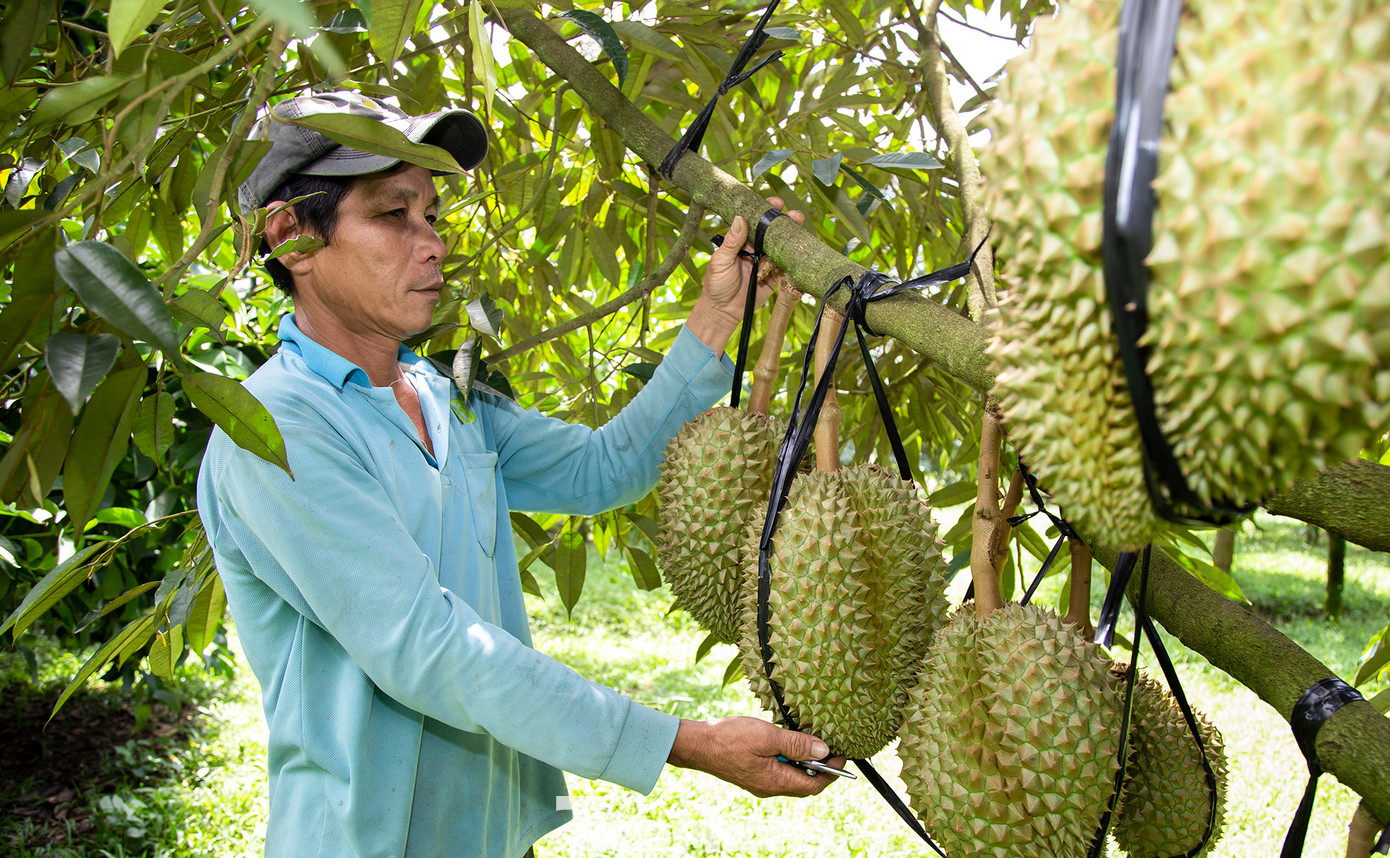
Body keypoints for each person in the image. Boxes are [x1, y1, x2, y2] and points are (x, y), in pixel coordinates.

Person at [196, 91, 839, 858]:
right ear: (291, 238)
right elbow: (428, 648)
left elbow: (604, 469)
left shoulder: (448, 398)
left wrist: (717, 315)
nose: (432, 243)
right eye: (394, 214)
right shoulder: (274, 430)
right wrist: (690, 742)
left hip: (498, 836)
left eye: (431, 215)